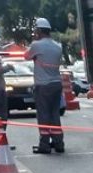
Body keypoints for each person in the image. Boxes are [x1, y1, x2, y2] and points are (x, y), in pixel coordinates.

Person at [25, 17, 63, 153]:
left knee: (43, 115)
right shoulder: (58, 46)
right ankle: (58, 143)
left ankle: (44, 145)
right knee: (54, 114)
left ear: (39, 31)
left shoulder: (37, 45)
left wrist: (33, 42)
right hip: (56, 84)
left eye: (36, 31)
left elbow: (26, 56)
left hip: (43, 85)